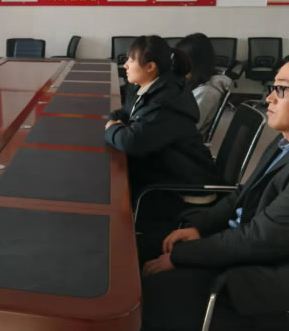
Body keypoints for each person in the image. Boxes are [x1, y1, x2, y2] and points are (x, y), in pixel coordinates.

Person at [139, 60, 289, 331]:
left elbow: (258, 239)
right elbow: (240, 195)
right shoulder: (282, 143)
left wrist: (181, 256)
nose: (269, 98)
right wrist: (200, 227)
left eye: (282, 89)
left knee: (137, 297)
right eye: (273, 87)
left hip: (247, 280)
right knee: (132, 251)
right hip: (231, 243)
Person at [104, 36, 219, 201]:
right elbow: (125, 113)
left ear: (150, 67)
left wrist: (111, 128)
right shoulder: (152, 88)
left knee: (109, 186)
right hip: (166, 172)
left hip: (186, 192)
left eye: (131, 60)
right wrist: (114, 121)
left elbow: (132, 141)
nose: (125, 65)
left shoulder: (166, 100)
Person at [176, 33, 232, 139]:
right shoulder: (195, 83)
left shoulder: (206, 92)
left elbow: (184, 129)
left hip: (184, 144)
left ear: (195, 62)